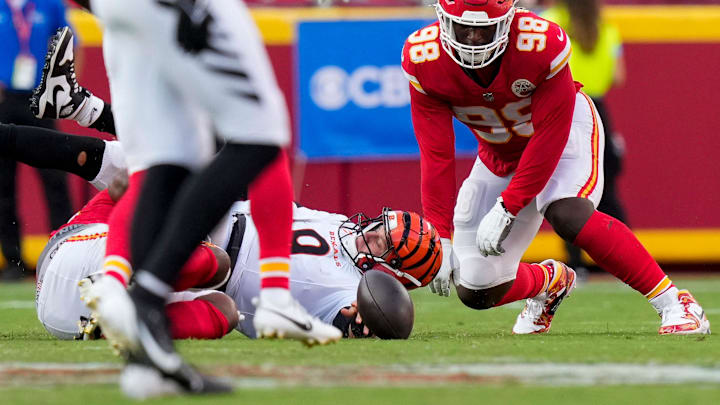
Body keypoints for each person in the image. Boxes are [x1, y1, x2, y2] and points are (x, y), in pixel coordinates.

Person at [36, 0, 341, 395]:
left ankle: (144, 349)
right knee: (259, 136)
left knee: (165, 161)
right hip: (176, 8)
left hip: (127, 16)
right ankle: (269, 297)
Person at [402, 0, 709, 336]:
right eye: (464, 27)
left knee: (568, 213)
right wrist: (441, 235)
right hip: (499, 156)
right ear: (443, 20)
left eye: (485, 28)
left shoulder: (540, 44)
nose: (474, 38)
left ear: (507, 21)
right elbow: (437, 155)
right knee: (476, 286)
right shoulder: (424, 59)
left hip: (563, 136)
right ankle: (550, 283)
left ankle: (675, 302)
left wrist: (510, 204)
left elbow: (549, 135)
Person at [0, 121, 442, 343]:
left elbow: (366, 323)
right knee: (147, 162)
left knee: (222, 301)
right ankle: (42, 122)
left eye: (384, 241)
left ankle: (122, 309)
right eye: (382, 225)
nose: (372, 232)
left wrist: (373, 322)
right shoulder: (335, 224)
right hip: (86, 251)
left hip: (99, 286)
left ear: (390, 272)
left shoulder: (348, 289)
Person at [541, 0, 628, 275]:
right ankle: (621, 259)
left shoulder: (551, 20)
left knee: (565, 190)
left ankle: (576, 263)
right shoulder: (608, 28)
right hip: (599, 111)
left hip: (565, 106)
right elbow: (618, 76)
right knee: (608, 192)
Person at [0, 0, 73, 280]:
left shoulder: (50, 3)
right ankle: (12, 260)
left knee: (55, 177)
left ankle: (62, 252)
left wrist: (63, 87)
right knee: (4, 183)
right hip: (4, 99)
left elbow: (69, 42)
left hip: (40, 98)